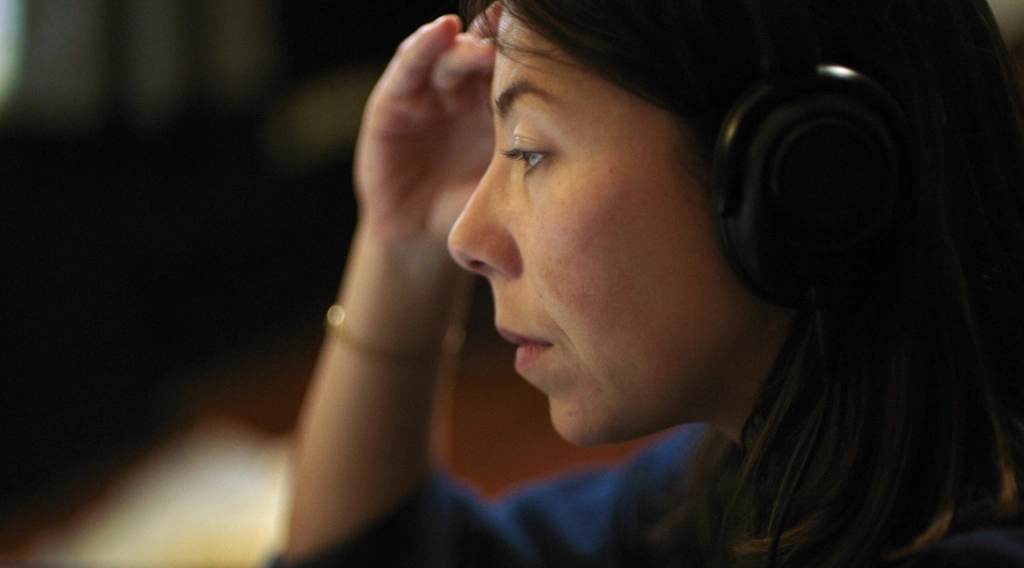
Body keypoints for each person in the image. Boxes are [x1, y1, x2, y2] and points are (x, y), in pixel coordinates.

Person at [276, 0, 1024, 566]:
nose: (466, 241)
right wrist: (401, 247)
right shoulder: (749, 476)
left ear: (800, 171)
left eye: (529, 152)